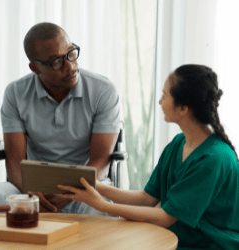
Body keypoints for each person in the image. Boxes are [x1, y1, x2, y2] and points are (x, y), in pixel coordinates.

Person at [58, 64, 239, 249]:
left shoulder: (213, 159)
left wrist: (101, 205)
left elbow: (166, 217)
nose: (160, 102)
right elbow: (147, 198)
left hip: (209, 245)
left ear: (183, 108)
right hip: (176, 239)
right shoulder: (178, 143)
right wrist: (95, 186)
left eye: (165, 95)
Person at [0, 22, 120, 215]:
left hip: (86, 186)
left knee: (101, 205)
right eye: (57, 62)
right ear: (35, 68)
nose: (70, 66)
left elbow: (101, 160)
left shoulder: (103, 90)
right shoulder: (15, 93)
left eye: (71, 53)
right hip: (33, 190)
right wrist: (30, 191)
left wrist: (71, 191)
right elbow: (15, 163)